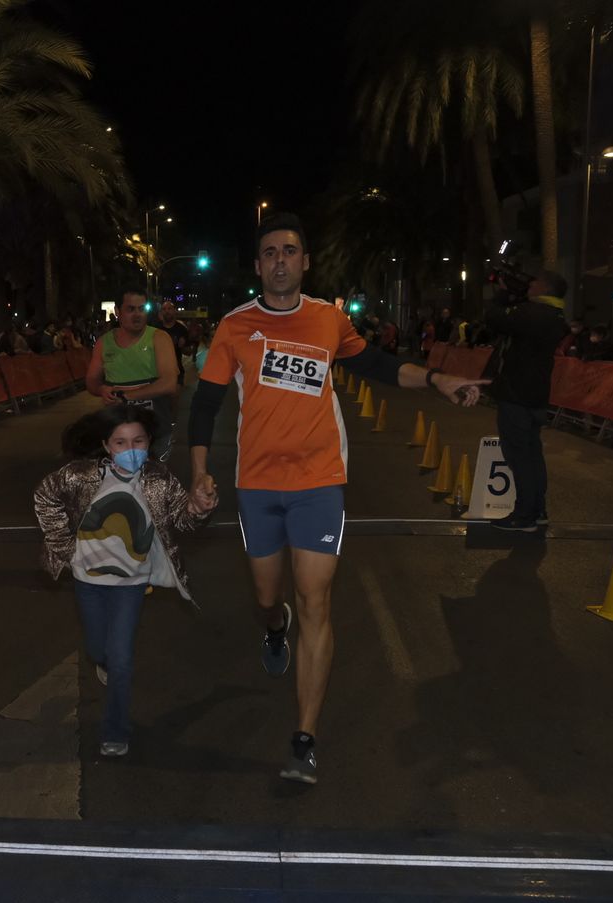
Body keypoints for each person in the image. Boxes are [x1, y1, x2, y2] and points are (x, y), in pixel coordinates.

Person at [187, 212, 487, 784]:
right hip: (257, 484)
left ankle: (304, 739)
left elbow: (375, 364)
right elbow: (205, 404)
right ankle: (274, 626)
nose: (279, 260)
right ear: (258, 266)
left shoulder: (328, 319)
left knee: (316, 600)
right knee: (267, 596)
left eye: (289, 251)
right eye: (269, 252)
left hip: (319, 482)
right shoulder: (235, 326)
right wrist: (199, 473)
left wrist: (437, 379)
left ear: (305, 262)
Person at [33, 405, 217, 757]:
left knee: (121, 658)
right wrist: (65, 547)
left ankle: (115, 730)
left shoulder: (159, 480)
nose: (130, 449)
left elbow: (183, 520)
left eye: (138, 441)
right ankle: (103, 660)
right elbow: (45, 496)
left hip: (131, 583)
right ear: (106, 445)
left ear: (149, 442)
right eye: (120, 442)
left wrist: (199, 509)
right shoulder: (80, 476)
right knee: (97, 649)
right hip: (87, 579)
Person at [483, 270, 569, 532]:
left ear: (546, 288)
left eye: (535, 282)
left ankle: (524, 516)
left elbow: (494, 318)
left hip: (516, 394)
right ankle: (537, 510)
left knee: (519, 456)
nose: (530, 284)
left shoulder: (533, 313)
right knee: (532, 455)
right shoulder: (555, 315)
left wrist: (502, 294)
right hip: (535, 395)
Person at [85, 291, 179, 460]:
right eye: (130, 309)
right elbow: (92, 381)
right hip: (117, 432)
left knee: (153, 475)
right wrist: (101, 390)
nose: (137, 315)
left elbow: (169, 383)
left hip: (155, 430)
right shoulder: (103, 343)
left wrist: (126, 396)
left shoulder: (159, 338)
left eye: (142, 309)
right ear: (118, 311)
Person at [158, 300, 194, 385]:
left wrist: (182, 347)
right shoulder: (156, 329)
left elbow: (188, 352)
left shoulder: (182, 329)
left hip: (176, 372)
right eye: (164, 309)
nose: (167, 311)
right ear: (161, 312)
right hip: (158, 373)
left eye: (169, 308)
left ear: (174, 311)